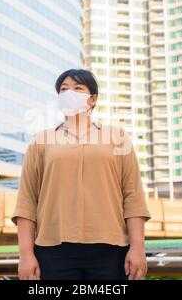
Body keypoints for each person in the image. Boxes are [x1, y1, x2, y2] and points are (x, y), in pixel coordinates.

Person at [11, 69, 152, 280]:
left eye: (77, 88)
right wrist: (25, 255)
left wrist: (138, 248)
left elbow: (133, 196)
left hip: (111, 250)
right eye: (64, 89)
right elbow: (27, 201)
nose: (69, 93)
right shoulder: (41, 141)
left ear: (92, 99)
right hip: (53, 251)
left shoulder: (117, 137)